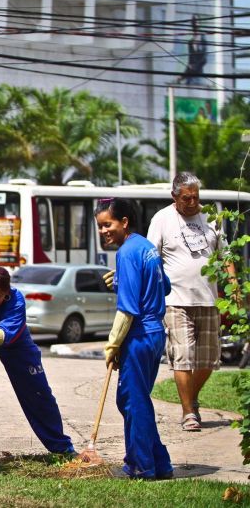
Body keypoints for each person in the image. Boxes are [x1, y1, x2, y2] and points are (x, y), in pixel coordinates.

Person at [147, 172, 231, 432]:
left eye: (196, 197)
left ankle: (190, 396)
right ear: (175, 197)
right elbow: (151, 256)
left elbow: (225, 255)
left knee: (208, 360)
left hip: (208, 300)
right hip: (176, 300)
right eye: (187, 198)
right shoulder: (162, 219)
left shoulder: (210, 217)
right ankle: (188, 413)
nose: (192, 202)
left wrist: (234, 287)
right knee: (183, 357)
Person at [0, 266, 75, 454]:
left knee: (37, 392)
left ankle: (62, 448)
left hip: (14, 342)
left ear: (6, 292)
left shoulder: (16, 300)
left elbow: (3, 336)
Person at [96, 197, 173, 480]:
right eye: (100, 226)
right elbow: (163, 286)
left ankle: (141, 466)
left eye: (108, 224)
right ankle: (160, 463)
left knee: (132, 401)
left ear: (124, 222)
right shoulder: (146, 247)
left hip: (139, 335)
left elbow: (127, 309)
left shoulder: (127, 252)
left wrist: (113, 344)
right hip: (155, 334)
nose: (104, 231)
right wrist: (121, 279)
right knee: (134, 399)